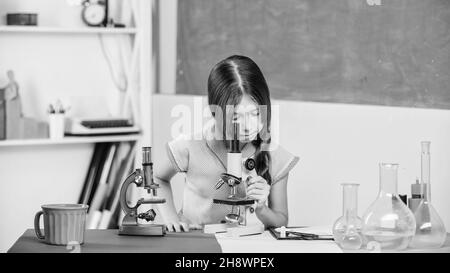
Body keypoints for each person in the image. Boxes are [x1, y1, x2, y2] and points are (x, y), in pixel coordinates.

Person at [155, 55, 299, 232]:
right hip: (196, 242)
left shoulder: (275, 157)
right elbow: (158, 178)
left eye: (255, 114)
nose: (248, 127)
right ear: (216, 113)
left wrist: (262, 208)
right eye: (236, 117)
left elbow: (281, 221)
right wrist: (171, 219)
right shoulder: (192, 145)